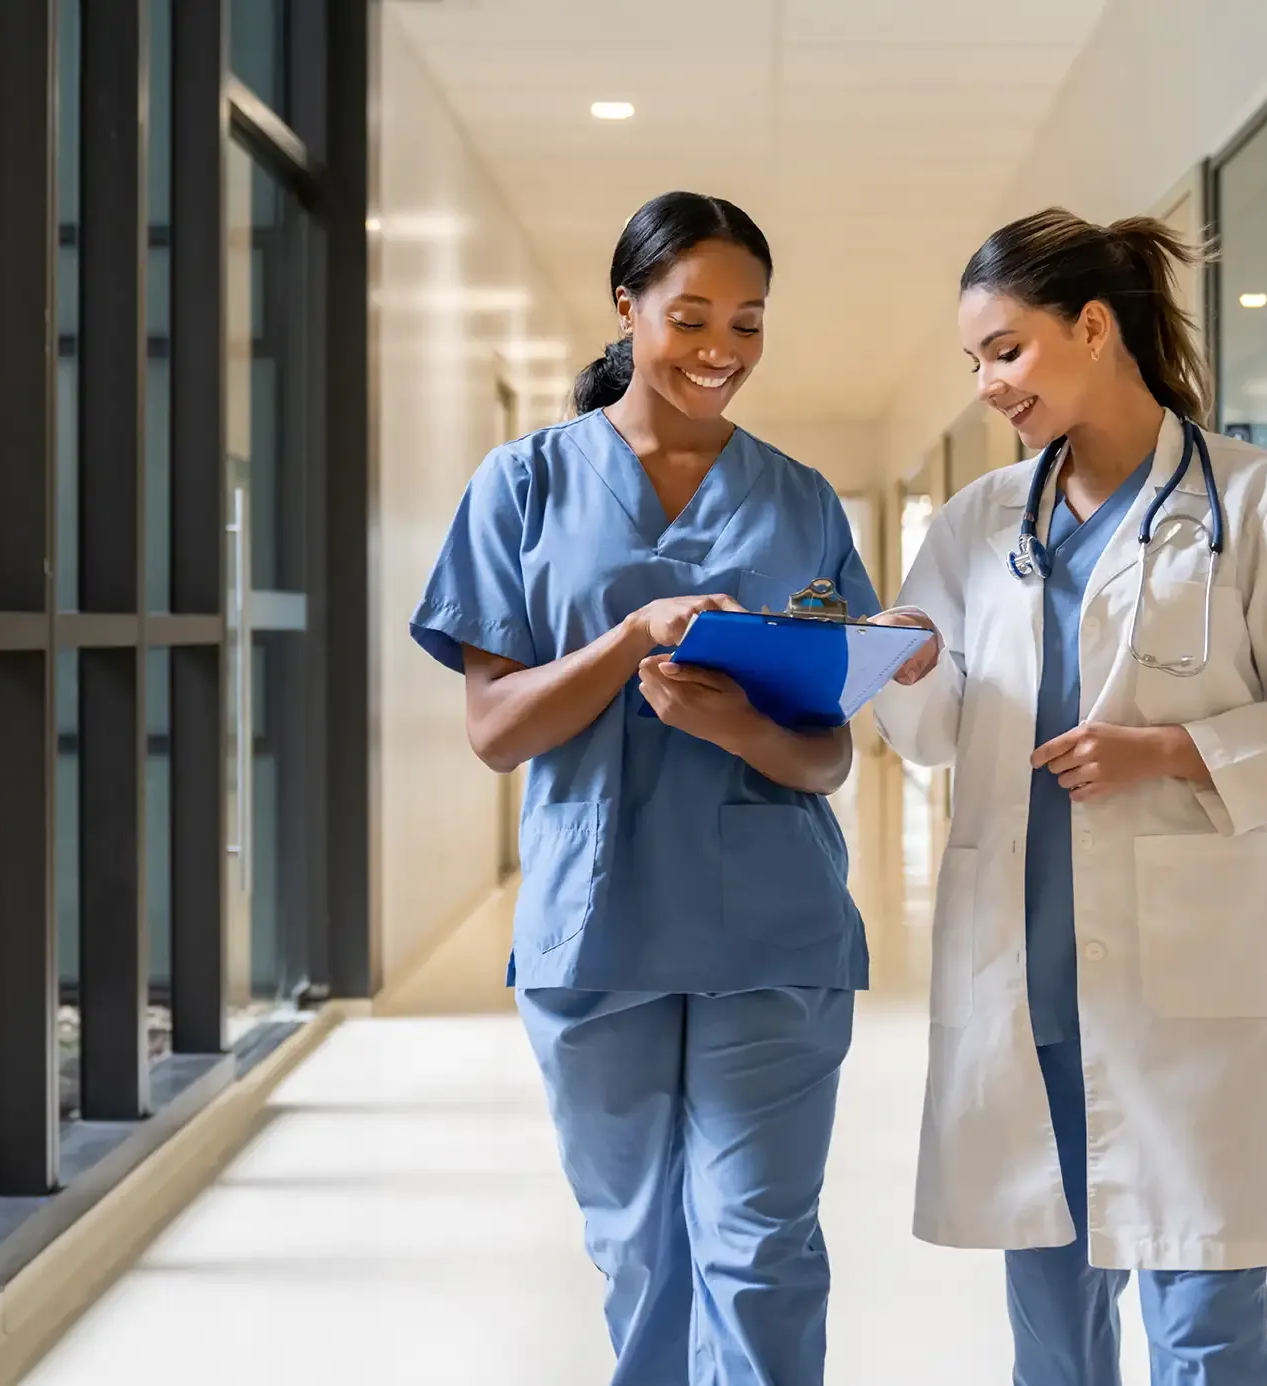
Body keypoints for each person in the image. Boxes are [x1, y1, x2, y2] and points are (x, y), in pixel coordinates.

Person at [870, 208, 1267, 1384]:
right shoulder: (975, 522)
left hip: (1189, 983)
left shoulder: (1263, 505)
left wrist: (1169, 752)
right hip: (1023, 977)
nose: (986, 385)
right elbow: (940, 727)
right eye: (972, 362)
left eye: (1003, 350)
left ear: (1093, 326)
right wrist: (910, 664)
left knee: (1204, 1319)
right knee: (1052, 1330)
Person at [410, 190, 879, 1386]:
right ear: (625, 311)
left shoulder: (801, 500)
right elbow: (495, 730)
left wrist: (738, 726)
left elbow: (826, 753)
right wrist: (627, 641)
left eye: (748, 322)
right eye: (689, 317)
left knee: (763, 1246)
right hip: (595, 919)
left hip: (772, 921)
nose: (721, 349)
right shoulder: (522, 487)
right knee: (639, 1254)